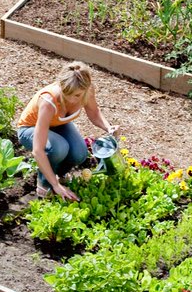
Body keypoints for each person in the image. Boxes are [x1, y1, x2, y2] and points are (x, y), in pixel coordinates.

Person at [16, 61, 119, 201]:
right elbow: (37, 150)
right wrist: (56, 185)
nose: (71, 99)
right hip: (29, 129)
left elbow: (94, 112)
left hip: (57, 124)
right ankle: (44, 184)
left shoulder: (87, 91)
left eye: (77, 95)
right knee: (58, 148)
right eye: (67, 94)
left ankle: (58, 173)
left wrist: (108, 127)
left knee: (80, 153)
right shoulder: (49, 101)